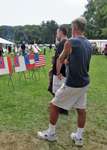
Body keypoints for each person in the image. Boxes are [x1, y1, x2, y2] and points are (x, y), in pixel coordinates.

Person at [37, 17, 94, 148]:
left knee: (53, 105)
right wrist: (70, 62)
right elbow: (81, 62)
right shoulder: (89, 45)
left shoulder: (70, 42)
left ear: (74, 28)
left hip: (73, 82)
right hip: (84, 82)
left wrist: (65, 61)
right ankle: (78, 137)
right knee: (81, 109)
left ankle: (51, 134)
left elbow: (61, 59)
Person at [51, 26, 69, 115]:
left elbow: (59, 59)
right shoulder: (69, 42)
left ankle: (60, 108)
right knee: (62, 90)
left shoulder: (62, 43)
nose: (56, 35)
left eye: (57, 33)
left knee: (58, 90)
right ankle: (63, 107)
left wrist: (58, 72)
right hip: (65, 72)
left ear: (61, 33)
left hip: (60, 73)